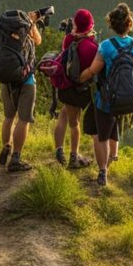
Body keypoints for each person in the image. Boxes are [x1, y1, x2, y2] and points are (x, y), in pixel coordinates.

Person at [79, 3, 133, 186]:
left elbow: (93, 71)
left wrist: (79, 77)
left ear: (111, 25)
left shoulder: (106, 46)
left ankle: (102, 172)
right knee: (114, 126)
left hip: (106, 100)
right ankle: (114, 156)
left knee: (102, 136)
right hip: (129, 98)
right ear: (129, 24)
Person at [0, 9, 43, 172]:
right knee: (23, 120)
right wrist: (33, 23)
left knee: (8, 117)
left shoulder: (5, 32)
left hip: (7, 79)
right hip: (26, 81)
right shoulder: (27, 28)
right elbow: (38, 41)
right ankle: (16, 157)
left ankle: (6, 146)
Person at [53, 9, 97, 169]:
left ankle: (59, 150)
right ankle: (74, 157)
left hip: (64, 86)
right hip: (78, 90)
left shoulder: (68, 39)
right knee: (74, 123)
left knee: (63, 115)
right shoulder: (92, 47)